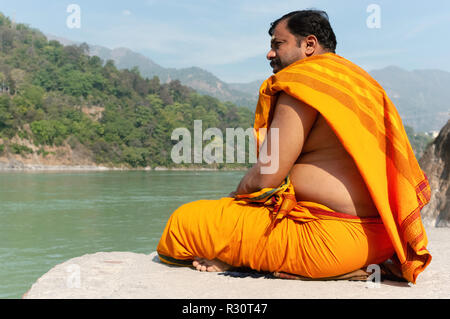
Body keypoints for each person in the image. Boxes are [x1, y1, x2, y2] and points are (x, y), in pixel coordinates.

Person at [157, 10, 431, 283]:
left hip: (330, 240)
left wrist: (236, 197)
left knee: (183, 224)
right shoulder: (359, 82)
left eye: (278, 44)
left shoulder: (305, 82)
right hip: (383, 239)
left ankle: (248, 261)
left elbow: (268, 174)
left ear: (309, 45)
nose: (270, 54)